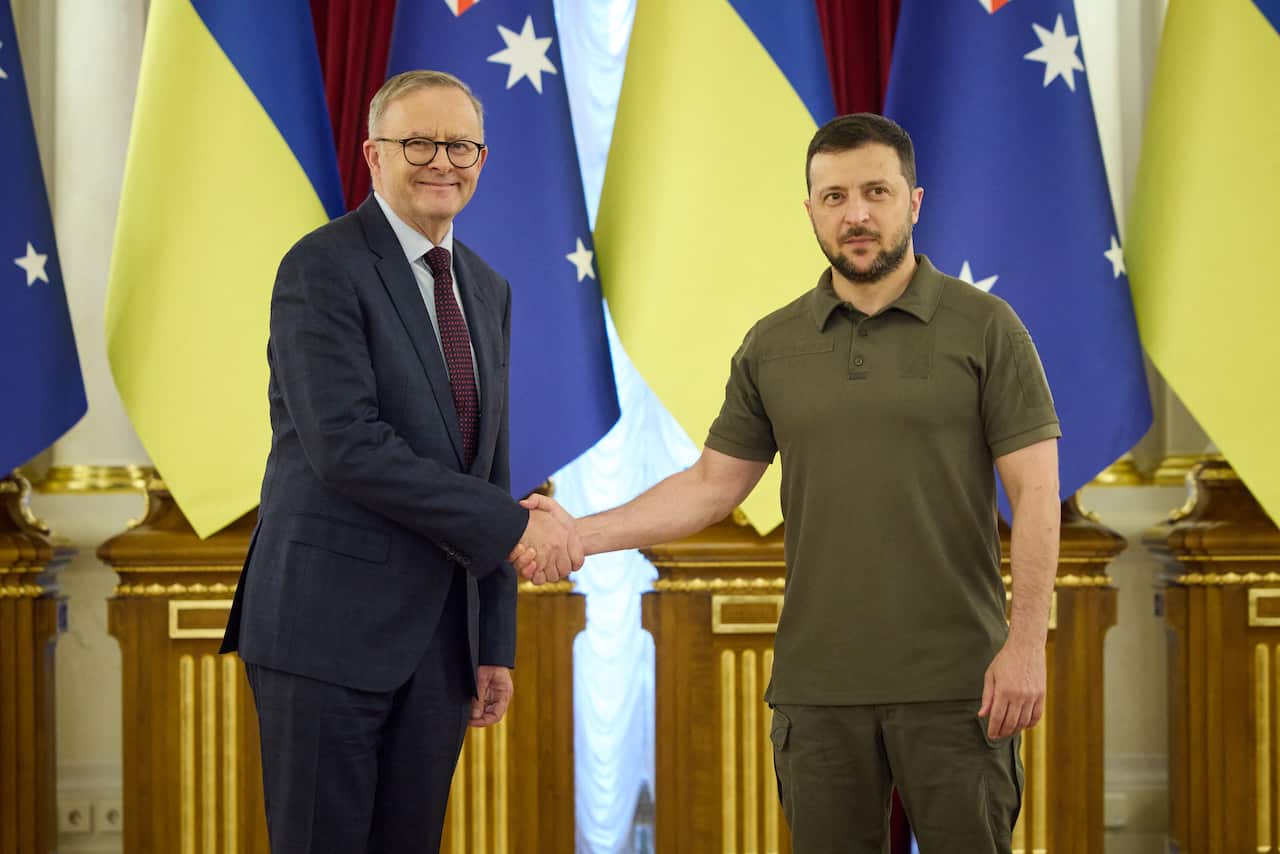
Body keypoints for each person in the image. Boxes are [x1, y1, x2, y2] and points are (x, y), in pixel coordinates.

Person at [520, 113, 1061, 853]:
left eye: (876, 191)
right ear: (810, 211)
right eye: (834, 197)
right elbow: (712, 485)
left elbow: (1035, 494)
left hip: (962, 687)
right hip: (817, 693)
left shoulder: (988, 328)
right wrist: (577, 532)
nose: (857, 214)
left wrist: (1026, 645)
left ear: (915, 201)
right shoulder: (773, 345)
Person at [220, 70, 581, 853]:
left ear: (482, 158)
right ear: (374, 156)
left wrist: (492, 642)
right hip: (326, 633)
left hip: (439, 647)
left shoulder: (487, 287)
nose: (442, 161)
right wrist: (514, 526)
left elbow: (489, 463)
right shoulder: (321, 266)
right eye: (418, 142)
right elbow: (346, 445)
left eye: (461, 145)